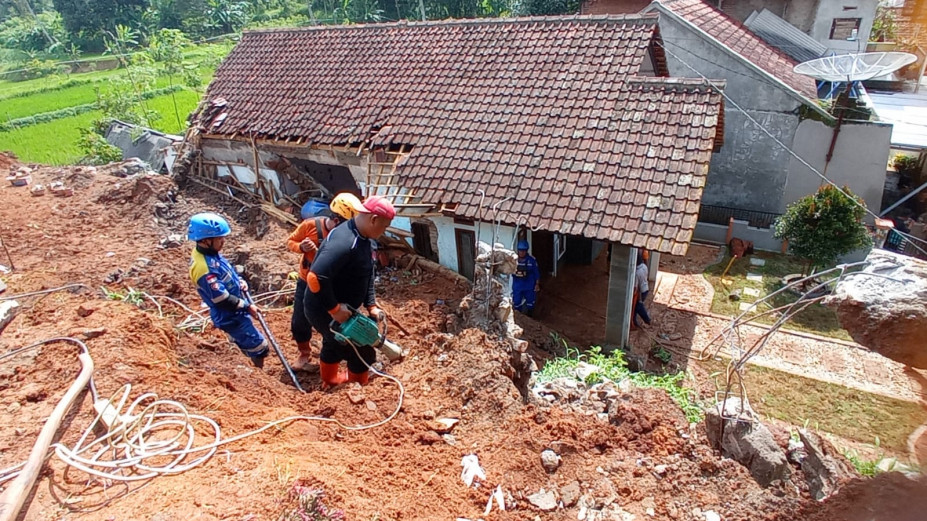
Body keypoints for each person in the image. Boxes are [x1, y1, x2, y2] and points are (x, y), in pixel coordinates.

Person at [303, 195, 396, 387]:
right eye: (384, 226)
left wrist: (371, 305)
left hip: (345, 308)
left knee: (334, 341)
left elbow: (368, 272)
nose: (384, 230)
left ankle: (329, 380)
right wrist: (334, 310)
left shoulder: (367, 240)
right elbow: (315, 277)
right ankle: (356, 390)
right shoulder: (345, 241)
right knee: (361, 349)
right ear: (373, 219)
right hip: (323, 308)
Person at [286, 193, 364, 370]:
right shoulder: (309, 226)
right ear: (336, 220)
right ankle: (304, 354)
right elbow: (290, 241)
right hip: (306, 281)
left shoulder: (348, 238)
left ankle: (338, 354)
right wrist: (300, 247)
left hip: (331, 284)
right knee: (299, 321)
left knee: (334, 322)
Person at [188, 212, 269, 368]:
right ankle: (257, 376)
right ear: (206, 240)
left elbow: (226, 271)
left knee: (249, 341)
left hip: (235, 308)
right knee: (260, 347)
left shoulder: (210, 254)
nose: (223, 241)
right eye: (219, 238)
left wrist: (239, 282)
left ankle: (238, 345)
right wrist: (247, 306)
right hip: (229, 315)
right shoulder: (204, 268)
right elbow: (221, 299)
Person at [512, 240, 540, 316]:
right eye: (520, 250)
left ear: (526, 251)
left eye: (524, 251)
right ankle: (518, 317)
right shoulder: (513, 260)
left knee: (530, 303)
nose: (522, 252)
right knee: (517, 302)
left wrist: (537, 284)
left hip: (529, 286)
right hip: (517, 286)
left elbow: (536, 273)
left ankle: (530, 317)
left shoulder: (531, 260)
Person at [633, 251, 652, 328]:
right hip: (646, 288)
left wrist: (636, 296)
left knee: (637, 307)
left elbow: (636, 287)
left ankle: (646, 320)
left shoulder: (636, 273)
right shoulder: (644, 267)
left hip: (641, 292)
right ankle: (642, 320)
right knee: (638, 307)